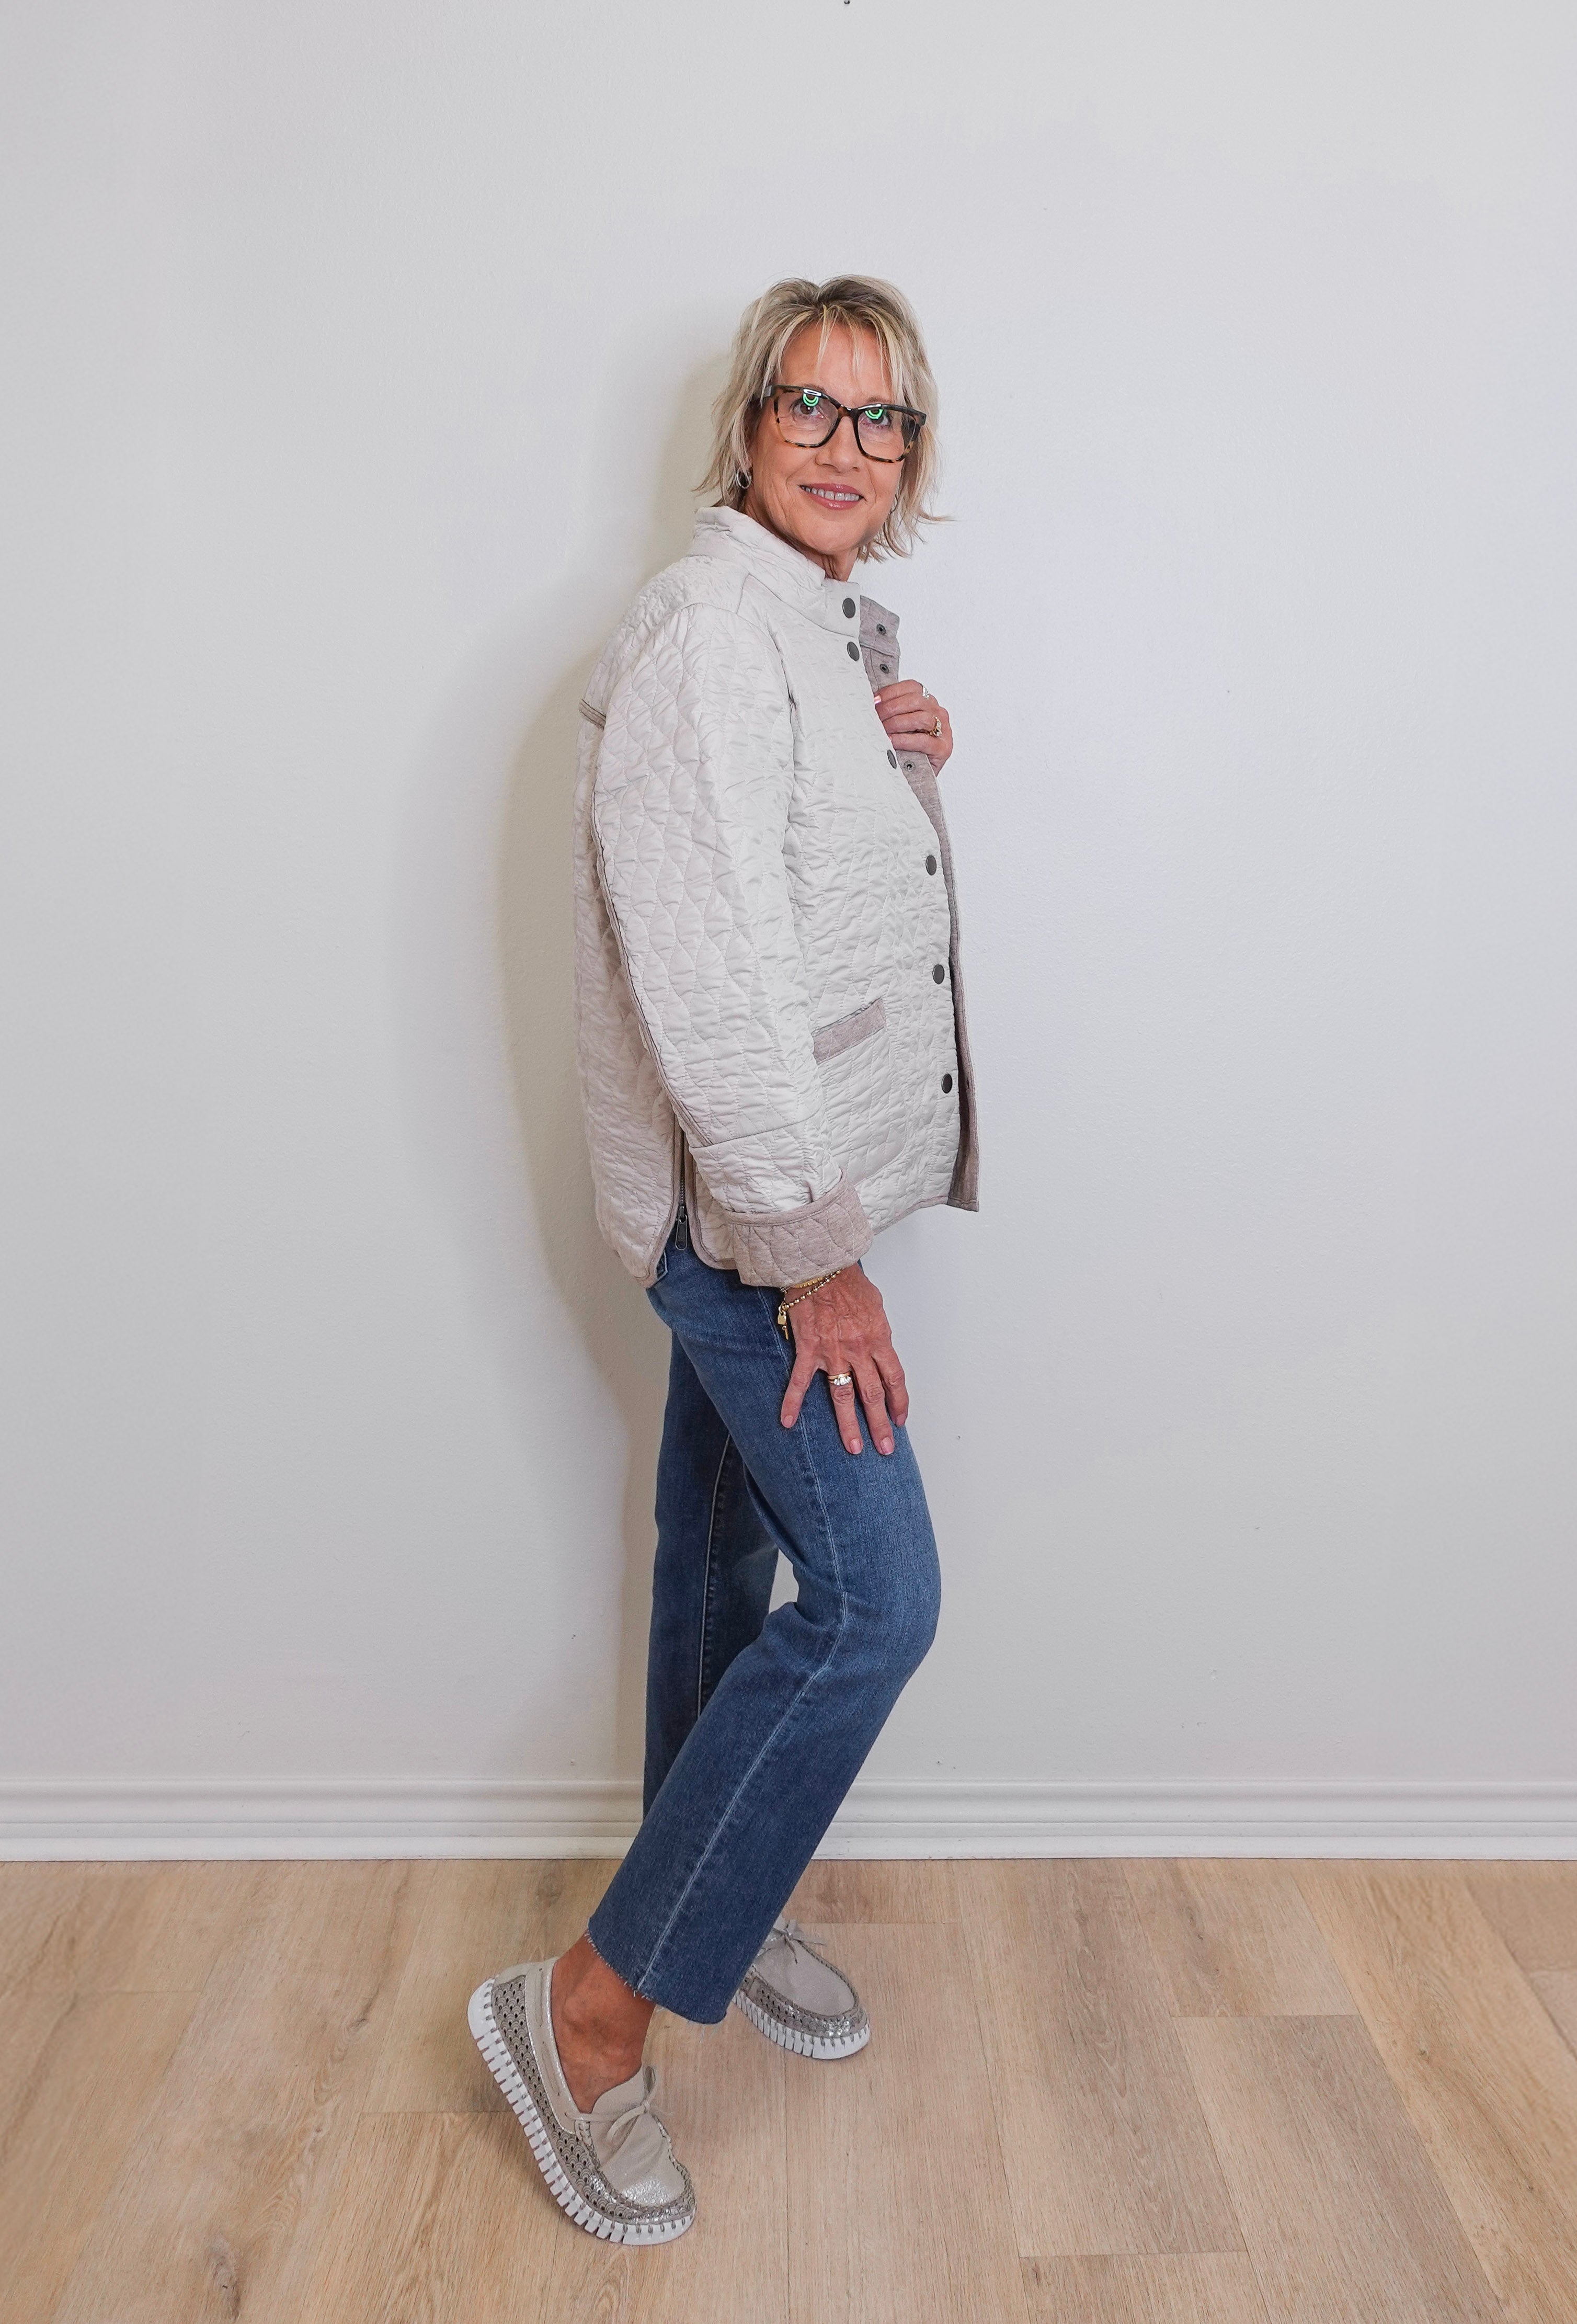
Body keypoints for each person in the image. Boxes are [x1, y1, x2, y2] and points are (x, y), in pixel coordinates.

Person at [468, 275, 978, 2243]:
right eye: (812, 406)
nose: (847, 445)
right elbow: (715, 970)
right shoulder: (705, 631)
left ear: (911, 455)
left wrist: (895, 741)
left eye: (884, 419)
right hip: (758, 1222)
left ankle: (713, 1896)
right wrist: (810, 1258)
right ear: (747, 424)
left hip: (779, 1207)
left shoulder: (819, 634)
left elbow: (801, 871)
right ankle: (586, 2012)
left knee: (728, 1570)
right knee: (877, 1603)